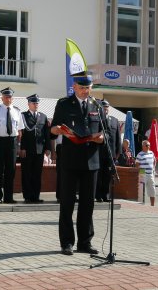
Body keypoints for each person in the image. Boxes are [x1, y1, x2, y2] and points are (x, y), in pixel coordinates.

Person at [50, 72, 103, 256]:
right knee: (67, 203)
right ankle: (67, 242)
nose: (85, 91)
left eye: (88, 88)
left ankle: (85, 242)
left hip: (91, 161)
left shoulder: (96, 105)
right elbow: (53, 129)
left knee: (88, 204)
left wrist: (102, 138)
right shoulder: (64, 104)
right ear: (74, 87)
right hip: (70, 161)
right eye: (81, 88)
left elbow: (106, 133)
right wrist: (60, 130)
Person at [0, 87, 24, 204]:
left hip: (12, 142)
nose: (8, 99)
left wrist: (18, 145)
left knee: (10, 170)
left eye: (10, 97)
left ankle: (9, 197)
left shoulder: (17, 111)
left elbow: (20, 131)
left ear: (12, 98)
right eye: (6, 97)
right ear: (2, 98)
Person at [20, 94, 52, 204]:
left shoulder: (43, 116)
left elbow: (46, 134)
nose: (36, 105)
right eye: (33, 103)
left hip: (39, 150)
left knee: (37, 174)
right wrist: (22, 148)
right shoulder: (23, 116)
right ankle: (27, 196)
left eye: (37, 103)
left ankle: (36, 196)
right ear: (28, 104)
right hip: (27, 150)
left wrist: (48, 148)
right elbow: (21, 134)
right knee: (27, 173)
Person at [95, 99, 121, 203]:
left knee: (108, 175)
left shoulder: (114, 120)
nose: (105, 109)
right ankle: (98, 195)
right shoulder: (97, 120)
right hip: (99, 152)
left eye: (107, 107)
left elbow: (118, 137)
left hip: (111, 153)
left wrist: (118, 151)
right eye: (103, 107)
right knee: (99, 175)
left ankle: (106, 195)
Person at [135, 140, 157, 206]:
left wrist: (153, 168)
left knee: (152, 190)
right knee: (142, 191)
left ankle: (152, 206)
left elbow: (154, 160)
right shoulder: (139, 154)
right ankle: (141, 205)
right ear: (143, 146)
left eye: (149, 145)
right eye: (147, 145)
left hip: (150, 174)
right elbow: (137, 164)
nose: (148, 146)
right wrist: (142, 173)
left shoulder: (151, 153)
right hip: (143, 174)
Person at [54, 135, 63, 203]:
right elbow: (52, 138)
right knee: (61, 173)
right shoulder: (57, 123)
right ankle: (60, 196)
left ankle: (72, 195)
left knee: (72, 173)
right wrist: (53, 151)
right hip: (61, 146)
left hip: (73, 147)